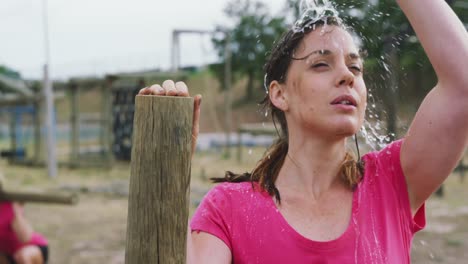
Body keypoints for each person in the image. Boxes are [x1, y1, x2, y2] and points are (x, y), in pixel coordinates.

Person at [138, 0, 468, 262]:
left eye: (355, 67)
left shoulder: (391, 184)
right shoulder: (228, 209)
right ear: (280, 93)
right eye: (321, 64)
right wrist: (167, 165)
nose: (347, 76)